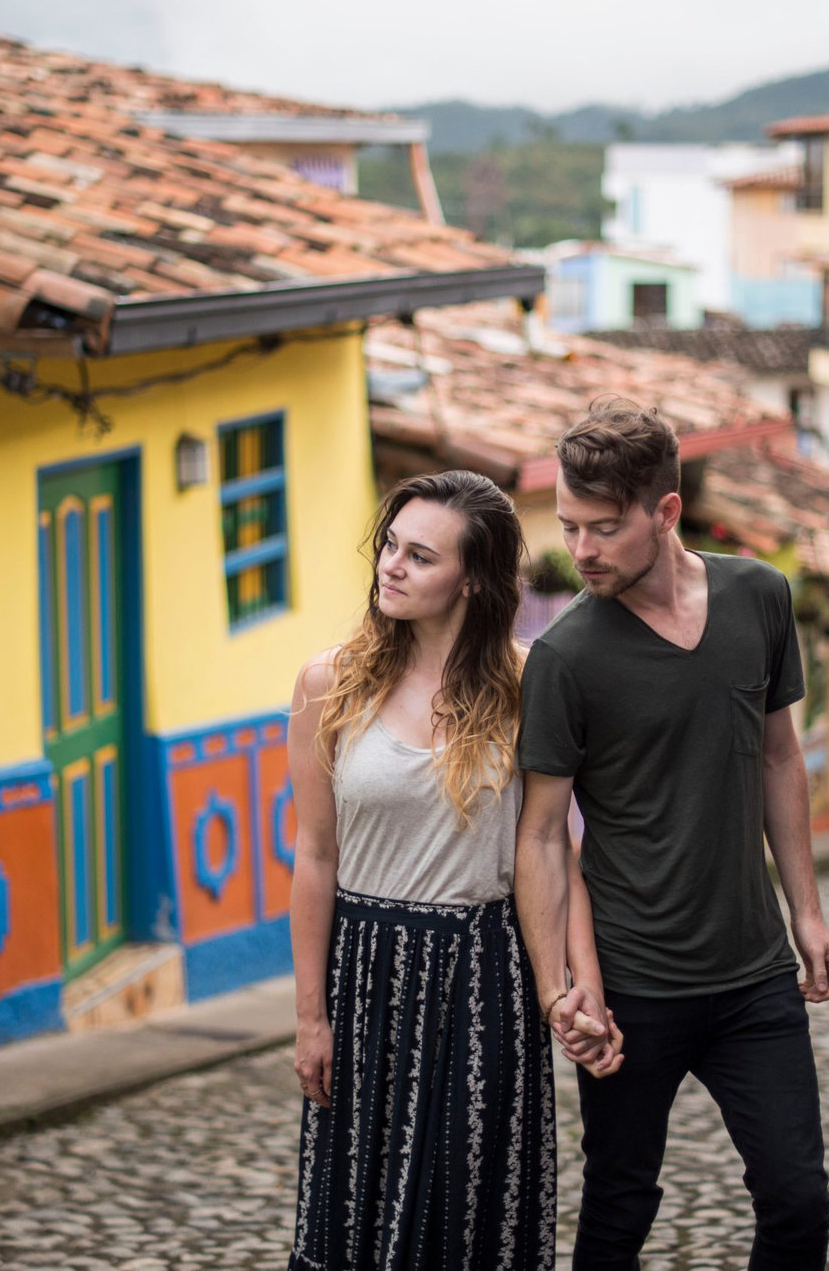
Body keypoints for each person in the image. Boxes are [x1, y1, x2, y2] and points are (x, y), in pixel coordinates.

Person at [514, 396, 829, 1271]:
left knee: (798, 1201)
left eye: (604, 528)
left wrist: (807, 913)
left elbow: (779, 756)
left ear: (666, 511)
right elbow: (542, 837)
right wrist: (561, 990)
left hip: (754, 976)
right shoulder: (565, 658)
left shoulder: (758, 597)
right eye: (569, 527)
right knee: (619, 1208)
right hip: (633, 987)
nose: (581, 550)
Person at [288, 469, 573, 1270]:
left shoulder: (530, 685)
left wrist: (562, 987)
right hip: (365, 970)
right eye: (390, 545)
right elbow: (315, 854)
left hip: (485, 973)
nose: (391, 565)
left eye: (420, 555)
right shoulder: (328, 684)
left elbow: (549, 845)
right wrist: (311, 1018)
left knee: (467, 1214)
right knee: (357, 1207)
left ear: (473, 579)